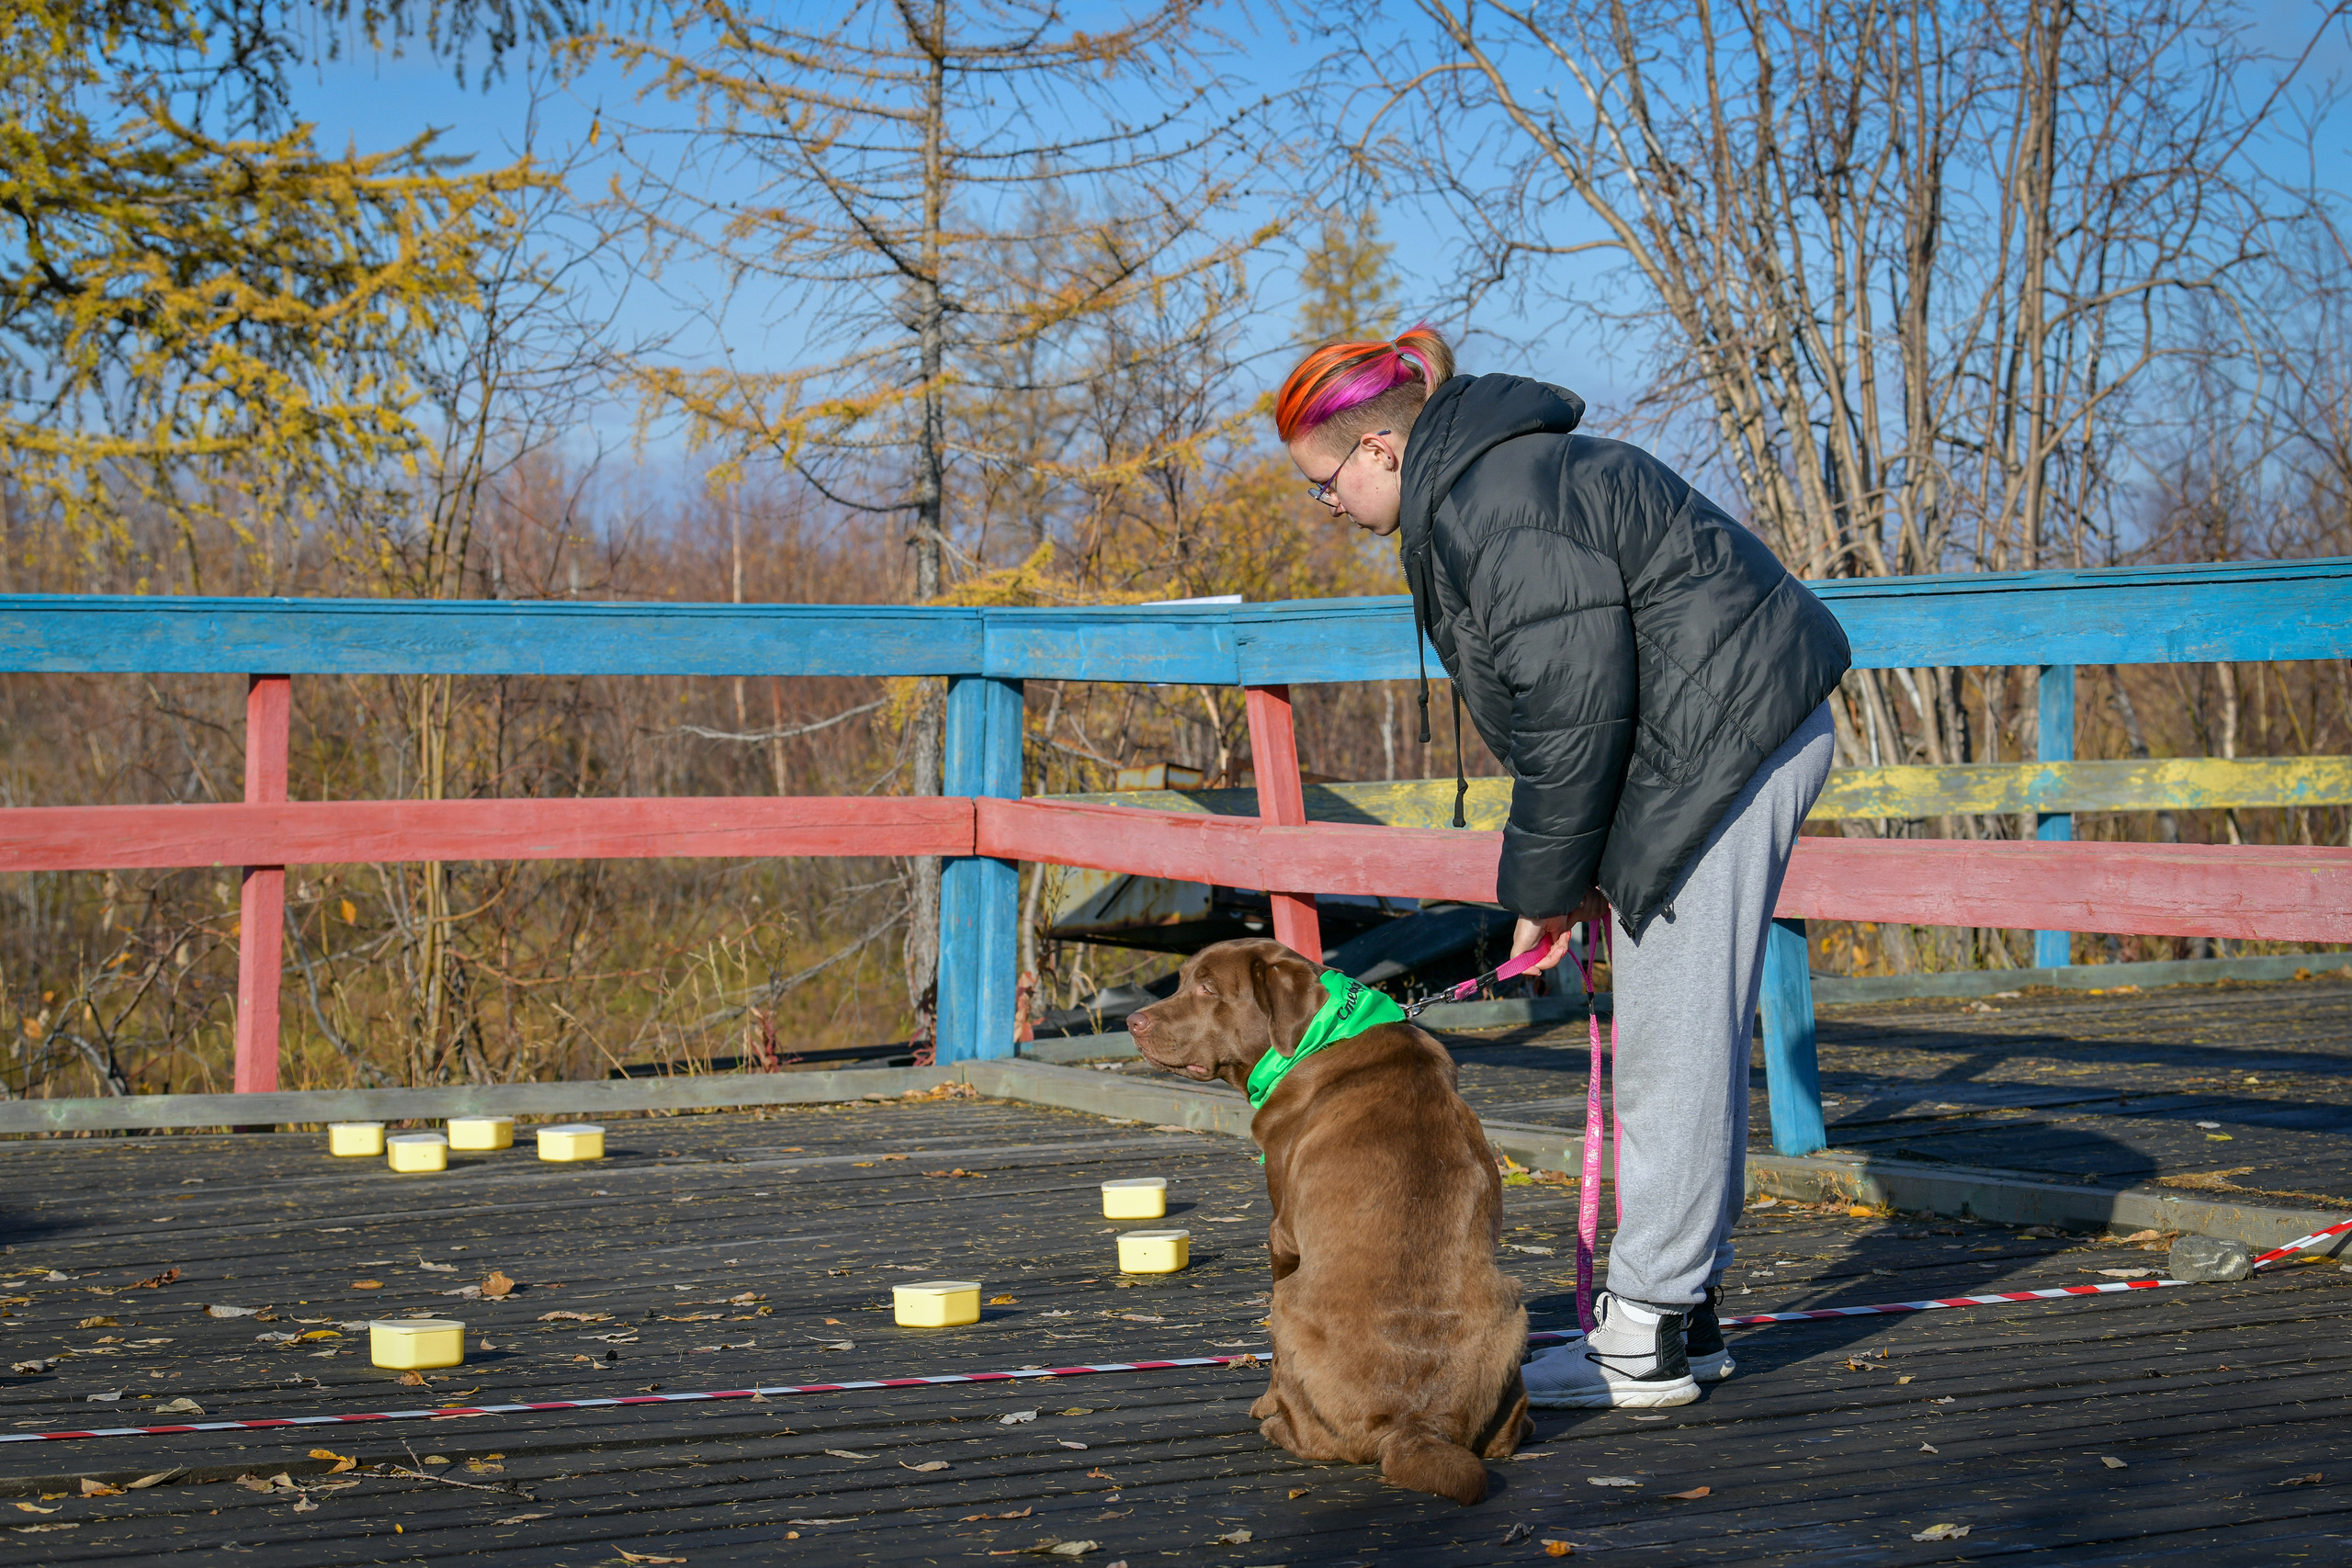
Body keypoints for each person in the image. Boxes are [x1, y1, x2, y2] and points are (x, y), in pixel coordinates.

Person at [1273, 325, 1851, 1408]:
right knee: (1681, 1032)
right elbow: (1585, 702)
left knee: (1671, 1046)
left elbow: (1573, 710)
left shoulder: (1496, 499)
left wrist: (1539, 893)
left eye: (1325, 485)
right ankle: (1680, 1318)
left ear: (1381, 450)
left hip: (1725, 740)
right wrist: (1575, 873)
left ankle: (1639, 1336)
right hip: (1703, 742)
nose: (1330, 509)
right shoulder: (1486, 484)